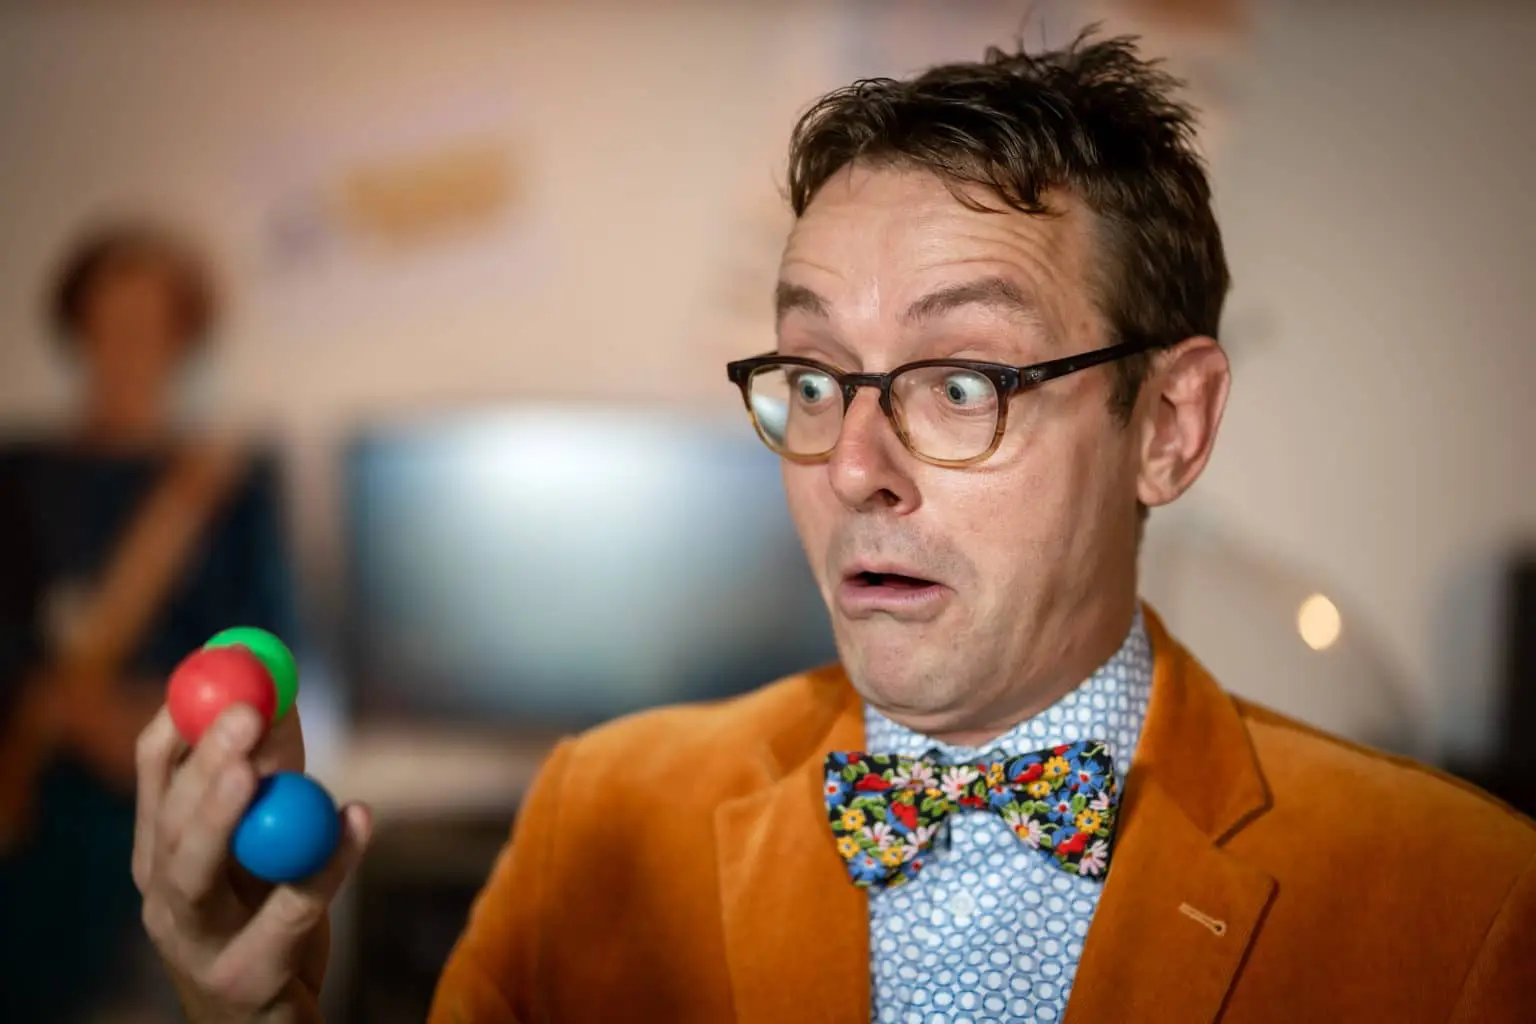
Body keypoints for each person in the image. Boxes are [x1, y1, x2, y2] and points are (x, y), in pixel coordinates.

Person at [132, 32, 1535, 1023]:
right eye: (813, 378)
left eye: (962, 382)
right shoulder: (596, 823)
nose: (854, 466)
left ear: (1167, 425)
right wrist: (250, 1014)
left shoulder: (1465, 902)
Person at [0, 222, 300, 1022]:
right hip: (36, 829)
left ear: (184, 337)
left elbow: (267, 653)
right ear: (76, 328)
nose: (129, 345)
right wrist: (51, 707)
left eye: (152, 323)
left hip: (183, 817)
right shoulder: (19, 476)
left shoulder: (231, 481)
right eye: (110, 321)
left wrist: (150, 721)